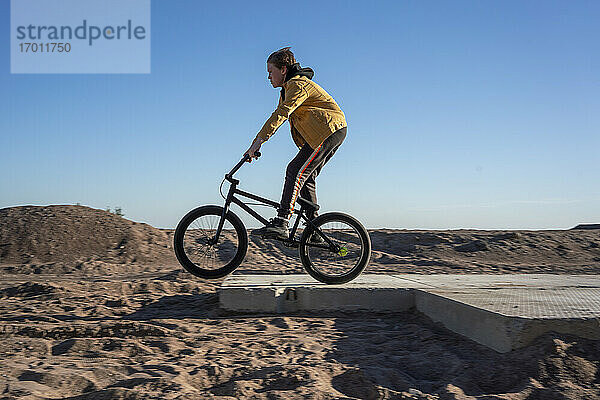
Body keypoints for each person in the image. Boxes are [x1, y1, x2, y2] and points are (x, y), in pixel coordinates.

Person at [244, 47, 347, 239]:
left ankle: (282, 222)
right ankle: (314, 230)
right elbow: (279, 115)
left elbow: (281, 115)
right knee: (305, 176)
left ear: (283, 69)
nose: (268, 77)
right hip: (325, 133)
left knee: (295, 170)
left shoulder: (298, 85)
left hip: (329, 130)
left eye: (270, 72)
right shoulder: (287, 90)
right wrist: (258, 142)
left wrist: (257, 143)